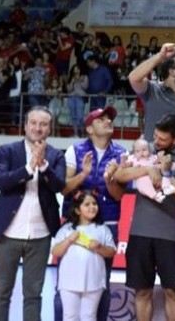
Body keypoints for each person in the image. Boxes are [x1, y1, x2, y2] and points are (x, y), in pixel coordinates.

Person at [0, 107, 66, 321]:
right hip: (8, 232)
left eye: (43, 124)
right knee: (1, 292)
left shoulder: (56, 155)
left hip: (41, 234)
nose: (38, 128)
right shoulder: (7, 150)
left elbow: (59, 186)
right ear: (26, 125)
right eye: (34, 123)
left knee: (33, 294)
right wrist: (29, 168)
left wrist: (44, 166)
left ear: (50, 128)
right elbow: (1, 181)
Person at [113, 114, 175, 321]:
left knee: (172, 292)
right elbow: (120, 176)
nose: (156, 141)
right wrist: (148, 169)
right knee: (142, 291)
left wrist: (166, 174)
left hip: (170, 235)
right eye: (155, 136)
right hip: (140, 231)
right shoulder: (144, 150)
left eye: (162, 139)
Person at [57, 106, 127, 321]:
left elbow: (118, 195)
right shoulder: (74, 151)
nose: (107, 122)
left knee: (102, 281)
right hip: (75, 221)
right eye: (101, 120)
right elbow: (65, 189)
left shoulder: (121, 153)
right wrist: (84, 174)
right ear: (89, 128)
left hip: (108, 221)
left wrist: (109, 180)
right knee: (65, 279)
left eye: (109, 119)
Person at [51, 191, 117, 321]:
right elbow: (55, 252)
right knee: (70, 316)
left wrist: (99, 247)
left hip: (94, 281)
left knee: (89, 316)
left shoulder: (102, 229)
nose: (92, 207)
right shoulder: (66, 229)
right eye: (87, 204)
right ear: (77, 210)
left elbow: (111, 252)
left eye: (94, 204)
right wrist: (69, 240)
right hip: (69, 282)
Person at [128, 43, 175, 147]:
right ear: (172, 72)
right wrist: (160, 56)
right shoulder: (153, 90)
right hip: (154, 160)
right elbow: (133, 78)